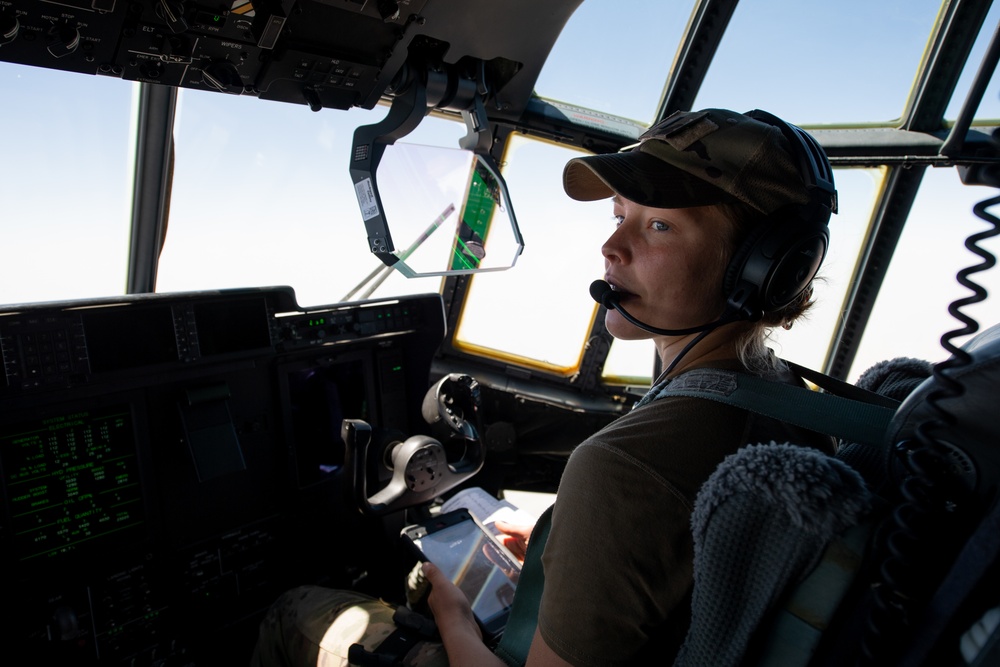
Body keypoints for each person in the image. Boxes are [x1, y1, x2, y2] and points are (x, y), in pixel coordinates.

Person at [251, 107, 839, 667]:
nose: (611, 247)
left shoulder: (625, 464)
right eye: (619, 215)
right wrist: (566, 550)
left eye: (658, 224)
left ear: (766, 265)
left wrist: (451, 616)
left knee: (293, 610)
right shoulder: (799, 405)